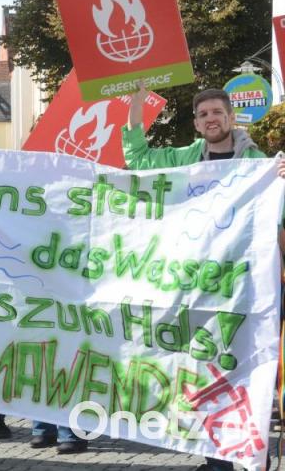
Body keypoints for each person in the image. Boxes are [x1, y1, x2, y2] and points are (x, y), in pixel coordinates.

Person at [121, 84, 283, 471]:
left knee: (243, 367)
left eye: (218, 112)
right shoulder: (188, 159)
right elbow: (138, 158)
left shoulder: (258, 163)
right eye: (205, 114)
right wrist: (138, 104)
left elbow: (275, 220)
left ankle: (248, 453)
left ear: (231, 117)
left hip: (243, 288)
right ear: (196, 124)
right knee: (205, 369)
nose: (212, 119)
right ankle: (216, 456)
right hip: (200, 287)